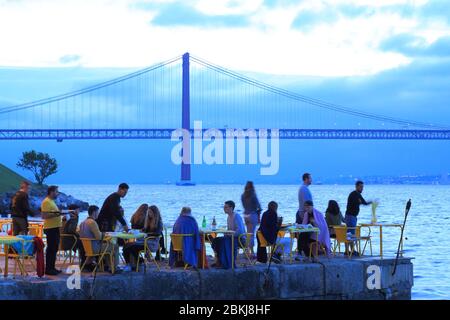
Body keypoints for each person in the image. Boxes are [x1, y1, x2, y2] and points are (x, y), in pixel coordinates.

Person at [78, 205, 120, 273]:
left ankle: (109, 266)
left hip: (87, 248)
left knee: (108, 246)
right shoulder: (92, 222)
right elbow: (99, 237)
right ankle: (115, 267)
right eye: (98, 212)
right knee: (115, 246)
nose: (98, 213)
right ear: (94, 212)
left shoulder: (82, 223)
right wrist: (106, 234)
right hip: (95, 248)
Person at [123, 205, 163, 271]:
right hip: (144, 241)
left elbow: (157, 234)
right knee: (126, 245)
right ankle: (130, 264)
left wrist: (146, 234)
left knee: (133, 247)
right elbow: (144, 230)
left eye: (150, 212)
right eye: (148, 212)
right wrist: (137, 231)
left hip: (151, 243)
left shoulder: (159, 223)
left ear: (154, 213)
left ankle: (138, 263)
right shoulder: (148, 221)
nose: (149, 214)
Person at [211, 201, 246, 269]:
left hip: (239, 239)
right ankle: (220, 261)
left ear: (231, 208)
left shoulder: (236, 216)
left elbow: (240, 231)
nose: (224, 209)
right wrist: (226, 233)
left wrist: (229, 234)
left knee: (224, 241)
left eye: (226, 207)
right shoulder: (228, 217)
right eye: (224, 207)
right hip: (232, 237)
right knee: (216, 240)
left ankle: (227, 263)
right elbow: (230, 230)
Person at [40, 185, 62, 275]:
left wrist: (59, 215)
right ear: (52, 192)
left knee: (54, 248)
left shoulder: (52, 202)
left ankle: (52, 267)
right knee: (51, 248)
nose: (57, 193)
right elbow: (44, 216)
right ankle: (49, 269)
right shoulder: (46, 202)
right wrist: (57, 214)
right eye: (56, 192)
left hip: (55, 227)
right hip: (50, 228)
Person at [241, 181, 261, 255]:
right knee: (252, 234)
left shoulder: (243, 195)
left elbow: (244, 206)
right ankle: (251, 251)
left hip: (245, 215)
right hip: (252, 215)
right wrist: (259, 217)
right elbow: (258, 207)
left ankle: (246, 250)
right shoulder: (253, 195)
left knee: (248, 233)